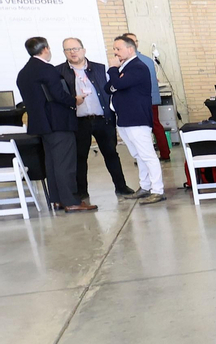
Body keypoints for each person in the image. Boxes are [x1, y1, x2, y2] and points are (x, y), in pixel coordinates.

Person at [16, 36, 95, 212]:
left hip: (41, 125)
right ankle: (72, 202)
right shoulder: (47, 69)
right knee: (65, 164)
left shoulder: (24, 72)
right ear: (45, 49)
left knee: (52, 163)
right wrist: (75, 100)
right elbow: (58, 95)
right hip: (58, 123)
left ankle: (58, 200)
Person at [58, 37, 135, 201]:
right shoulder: (59, 72)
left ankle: (121, 187)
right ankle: (82, 192)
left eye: (76, 48)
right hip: (78, 122)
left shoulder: (100, 69)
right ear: (64, 53)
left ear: (84, 50)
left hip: (102, 120)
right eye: (68, 50)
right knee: (80, 158)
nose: (73, 52)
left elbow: (113, 89)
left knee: (111, 154)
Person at [107, 35, 165, 203]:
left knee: (147, 155)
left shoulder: (137, 67)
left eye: (118, 49)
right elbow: (108, 87)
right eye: (114, 49)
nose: (115, 53)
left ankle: (157, 189)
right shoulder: (124, 68)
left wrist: (112, 70)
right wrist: (116, 78)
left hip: (137, 119)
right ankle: (145, 186)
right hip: (124, 119)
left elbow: (116, 85)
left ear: (130, 49)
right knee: (138, 155)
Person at [122, 32, 168, 160]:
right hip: (151, 99)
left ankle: (147, 156)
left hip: (140, 101)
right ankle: (165, 153)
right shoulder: (147, 60)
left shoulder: (131, 62)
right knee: (155, 125)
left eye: (135, 41)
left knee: (142, 129)